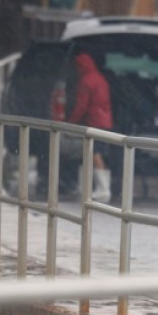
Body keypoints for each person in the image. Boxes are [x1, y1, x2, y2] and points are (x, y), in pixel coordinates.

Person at [66, 52, 113, 203]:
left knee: (94, 153)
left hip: (95, 121)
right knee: (95, 152)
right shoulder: (100, 78)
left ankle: (102, 189)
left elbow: (81, 105)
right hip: (106, 120)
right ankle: (91, 187)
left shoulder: (86, 81)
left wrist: (71, 121)